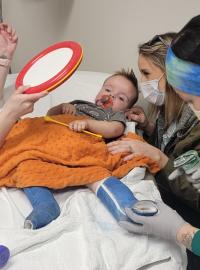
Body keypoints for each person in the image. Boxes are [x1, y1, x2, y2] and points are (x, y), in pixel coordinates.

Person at [1, 69, 159, 230]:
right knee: (26, 166)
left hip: (81, 146)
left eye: (120, 98)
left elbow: (115, 130)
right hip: (49, 143)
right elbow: (50, 117)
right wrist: (61, 107)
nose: (110, 97)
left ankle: (127, 208)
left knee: (96, 173)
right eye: (108, 90)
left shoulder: (112, 115)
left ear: (126, 110)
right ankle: (45, 206)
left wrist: (88, 124)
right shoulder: (78, 104)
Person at [107, 26, 200, 259]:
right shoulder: (165, 112)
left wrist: (181, 232)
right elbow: (171, 145)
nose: (143, 83)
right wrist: (148, 128)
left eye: (146, 74)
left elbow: (194, 185)